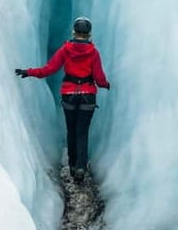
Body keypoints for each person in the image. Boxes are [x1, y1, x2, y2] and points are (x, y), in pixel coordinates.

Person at [15, 16, 110, 182]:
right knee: (82, 132)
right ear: (89, 34)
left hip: (69, 95)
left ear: (74, 32)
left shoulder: (66, 50)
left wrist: (28, 72)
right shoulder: (93, 53)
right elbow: (99, 77)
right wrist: (105, 84)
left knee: (71, 131)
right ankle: (81, 167)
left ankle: (73, 166)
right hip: (87, 96)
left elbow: (48, 70)